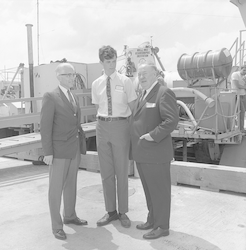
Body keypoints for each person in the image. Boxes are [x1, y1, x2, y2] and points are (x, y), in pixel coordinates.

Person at [129, 62, 179, 240]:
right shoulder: (143, 93)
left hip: (156, 153)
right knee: (150, 191)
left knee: (159, 192)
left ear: (156, 74)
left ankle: (162, 226)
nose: (141, 77)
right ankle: (152, 219)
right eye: (139, 74)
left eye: (145, 74)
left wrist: (152, 135)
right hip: (143, 153)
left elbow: (171, 121)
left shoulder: (163, 93)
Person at [40, 62, 87, 240]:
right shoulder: (50, 96)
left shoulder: (73, 97)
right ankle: (56, 226)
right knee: (56, 189)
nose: (72, 77)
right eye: (68, 75)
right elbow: (45, 127)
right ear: (59, 77)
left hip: (73, 148)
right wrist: (48, 152)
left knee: (71, 185)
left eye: (73, 74)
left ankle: (70, 215)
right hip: (58, 151)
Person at [91, 45, 137, 228]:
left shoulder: (126, 81)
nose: (111, 65)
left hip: (120, 126)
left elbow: (133, 106)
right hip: (102, 127)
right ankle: (110, 211)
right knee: (106, 173)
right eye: (107, 62)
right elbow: (97, 108)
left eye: (113, 61)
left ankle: (123, 211)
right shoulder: (96, 84)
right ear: (101, 62)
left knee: (121, 172)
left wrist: (127, 127)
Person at [231, 65, 246, 131]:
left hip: (243, 95)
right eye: (244, 70)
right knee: (240, 111)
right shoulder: (235, 74)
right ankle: (240, 128)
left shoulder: (244, 77)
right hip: (237, 95)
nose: (245, 72)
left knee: (242, 112)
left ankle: (241, 127)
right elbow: (237, 85)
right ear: (241, 69)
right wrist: (244, 86)